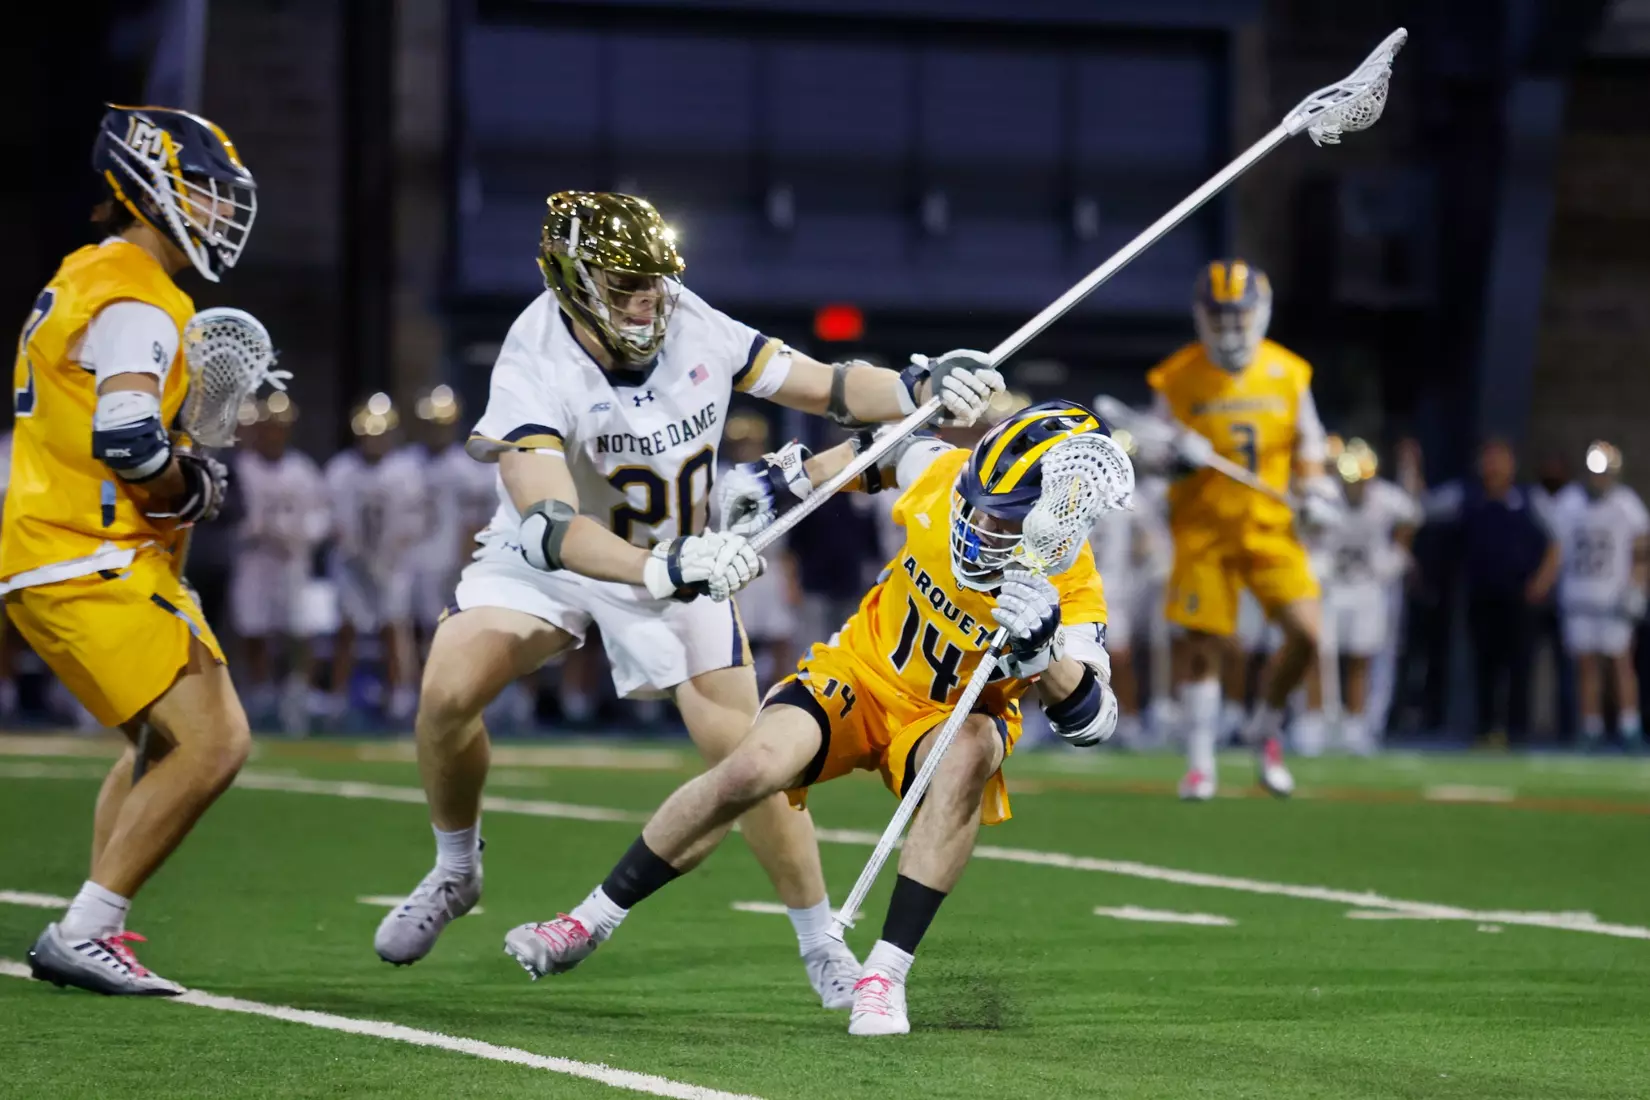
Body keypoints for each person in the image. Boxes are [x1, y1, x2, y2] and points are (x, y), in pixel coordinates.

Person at [372, 191, 1005, 1011]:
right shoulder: (534, 355)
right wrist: (654, 568)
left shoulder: (691, 320)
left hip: (688, 556)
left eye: (654, 280)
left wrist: (921, 383)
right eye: (627, 283)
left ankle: (822, 943)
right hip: (572, 556)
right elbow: (549, 525)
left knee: (754, 762)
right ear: (574, 280)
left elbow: (827, 386)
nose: (649, 300)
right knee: (449, 687)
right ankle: (455, 871)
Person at [501, 403, 1121, 1037]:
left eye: (1002, 516)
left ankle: (884, 975)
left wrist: (1047, 656)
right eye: (977, 500)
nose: (978, 521)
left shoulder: (1071, 588)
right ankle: (589, 921)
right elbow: (883, 450)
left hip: (947, 717)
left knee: (969, 749)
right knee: (751, 767)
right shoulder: (945, 474)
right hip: (858, 672)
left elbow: (1094, 722)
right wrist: (782, 484)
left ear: (1059, 517)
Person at [7, 105, 257, 994]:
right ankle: (87, 928)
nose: (220, 213)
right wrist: (186, 483)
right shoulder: (140, 292)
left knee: (160, 743)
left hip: (58, 542)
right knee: (216, 740)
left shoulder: (88, 271)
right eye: (203, 193)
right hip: (89, 548)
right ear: (146, 185)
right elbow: (127, 437)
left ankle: (95, 926)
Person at [1146, 259, 1339, 800]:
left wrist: (1318, 492)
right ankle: (1201, 762)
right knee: (1204, 645)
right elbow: (1151, 450)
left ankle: (1267, 725)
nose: (1230, 329)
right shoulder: (1178, 375)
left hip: (1270, 525)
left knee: (1308, 634)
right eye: (1219, 317)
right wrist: (1175, 456)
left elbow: (1310, 446)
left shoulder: (1288, 372)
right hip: (1204, 527)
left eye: (1239, 317)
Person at [1424, 438, 1561, 746]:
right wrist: (1411, 468)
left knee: (1520, 665)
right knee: (1484, 664)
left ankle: (1517, 731)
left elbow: (1557, 538)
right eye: (1489, 458)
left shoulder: (1529, 498)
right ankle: (1485, 729)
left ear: (1512, 463)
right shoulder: (1466, 496)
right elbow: (1422, 507)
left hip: (1518, 595)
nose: (1494, 465)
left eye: (1500, 458)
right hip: (1481, 593)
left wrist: (1542, 581)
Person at [1296, 438, 1420, 755]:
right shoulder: (1325, 495)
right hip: (1330, 585)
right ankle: (1313, 720)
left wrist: (1396, 555)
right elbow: (1301, 521)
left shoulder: (1386, 498)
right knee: (1317, 653)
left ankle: (1355, 724)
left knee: (1360, 657)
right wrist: (1313, 559)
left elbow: (1412, 516)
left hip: (1366, 586)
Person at [323, 394, 427, 725]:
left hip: (392, 562)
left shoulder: (406, 471)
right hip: (352, 562)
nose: (374, 441)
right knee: (347, 628)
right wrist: (355, 550)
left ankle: (400, 696)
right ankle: (337, 697)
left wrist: (387, 555)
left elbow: (411, 523)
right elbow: (334, 521)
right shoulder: (341, 469)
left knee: (394, 625)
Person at [230, 394, 328, 733]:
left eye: (279, 428)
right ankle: (259, 693)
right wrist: (257, 530)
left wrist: (302, 534)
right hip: (255, 558)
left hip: (292, 559)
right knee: (253, 627)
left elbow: (321, 516)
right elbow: (231, 514)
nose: (273, 434)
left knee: (299, 629)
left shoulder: (301, 469)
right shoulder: (243, 467)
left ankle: (297, 691)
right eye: (268, 427)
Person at [1550, 441, 1648, 748]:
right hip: (1579, 595)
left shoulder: (1627, 504)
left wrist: (1637, 588)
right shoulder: (1569, 502)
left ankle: (1629, 726)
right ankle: (1591, 727)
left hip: (1613, 597)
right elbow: (1556, 549)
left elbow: (1642, 551)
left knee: (1621, 664)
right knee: (1586, 666)